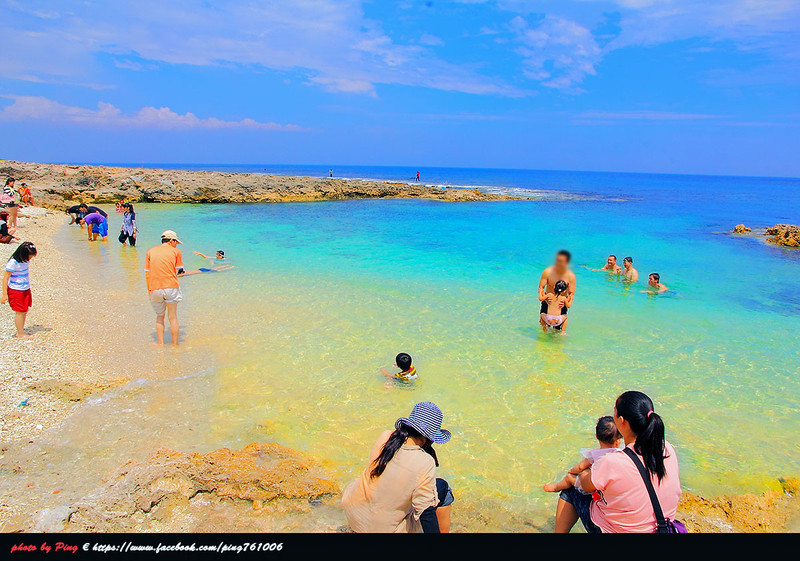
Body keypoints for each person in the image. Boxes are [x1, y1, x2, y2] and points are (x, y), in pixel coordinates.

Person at [553, 391, 682, 533]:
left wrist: (581, 473)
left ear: (621, 421)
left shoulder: (613, 461)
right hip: (663, 528)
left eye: (614, 411)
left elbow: (585, 485)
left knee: (572, 489)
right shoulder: (665, 447)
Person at [342, 402, 454, 533]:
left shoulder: (386, 437)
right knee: (443, 488)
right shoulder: (425, 461)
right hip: (381, 529)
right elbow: (425, 511)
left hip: (354, 514)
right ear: (430, 438)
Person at [543, 416, 621, 492]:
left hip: (593, 487)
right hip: (608, 486)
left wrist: (571, 471)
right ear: (619, 439)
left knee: (569, 478)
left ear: (596, 436)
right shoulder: (620, 453)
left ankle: (555, 487)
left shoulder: (596, 454)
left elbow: (580, 467)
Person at [144, 230, 185, 346]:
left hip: (154, 288)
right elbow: (178, 271)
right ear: (171, 240)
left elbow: (147, 273)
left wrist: (149, 291)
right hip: (171, 287)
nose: (176, 244)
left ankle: (160, 344)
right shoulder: (176, 251)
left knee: (159, 316)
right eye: (176, 241)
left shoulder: (150, 251)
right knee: (173, 317)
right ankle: (175, 345)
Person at [1, 242, 38, 339]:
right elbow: (5, 278)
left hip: (25, 288)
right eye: (30, 256)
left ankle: (20, 330)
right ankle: (20, 333)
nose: (31, 258)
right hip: (16, 290)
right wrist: (5, 294)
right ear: (23, 254)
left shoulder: (25, 261)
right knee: (20, 311)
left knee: (25, 310)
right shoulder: (13, 263)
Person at [538, 250, 576, 331]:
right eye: (557, 260)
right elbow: (541, 287)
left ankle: (557, 342)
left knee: (557, 329)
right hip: (547, 301)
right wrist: (545, 298)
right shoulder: (547, 272)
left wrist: (564, 303)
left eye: (561, 261)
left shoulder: (571, 276)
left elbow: (571, 293)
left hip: (560, 304)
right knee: (543, 326)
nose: (558, 263)